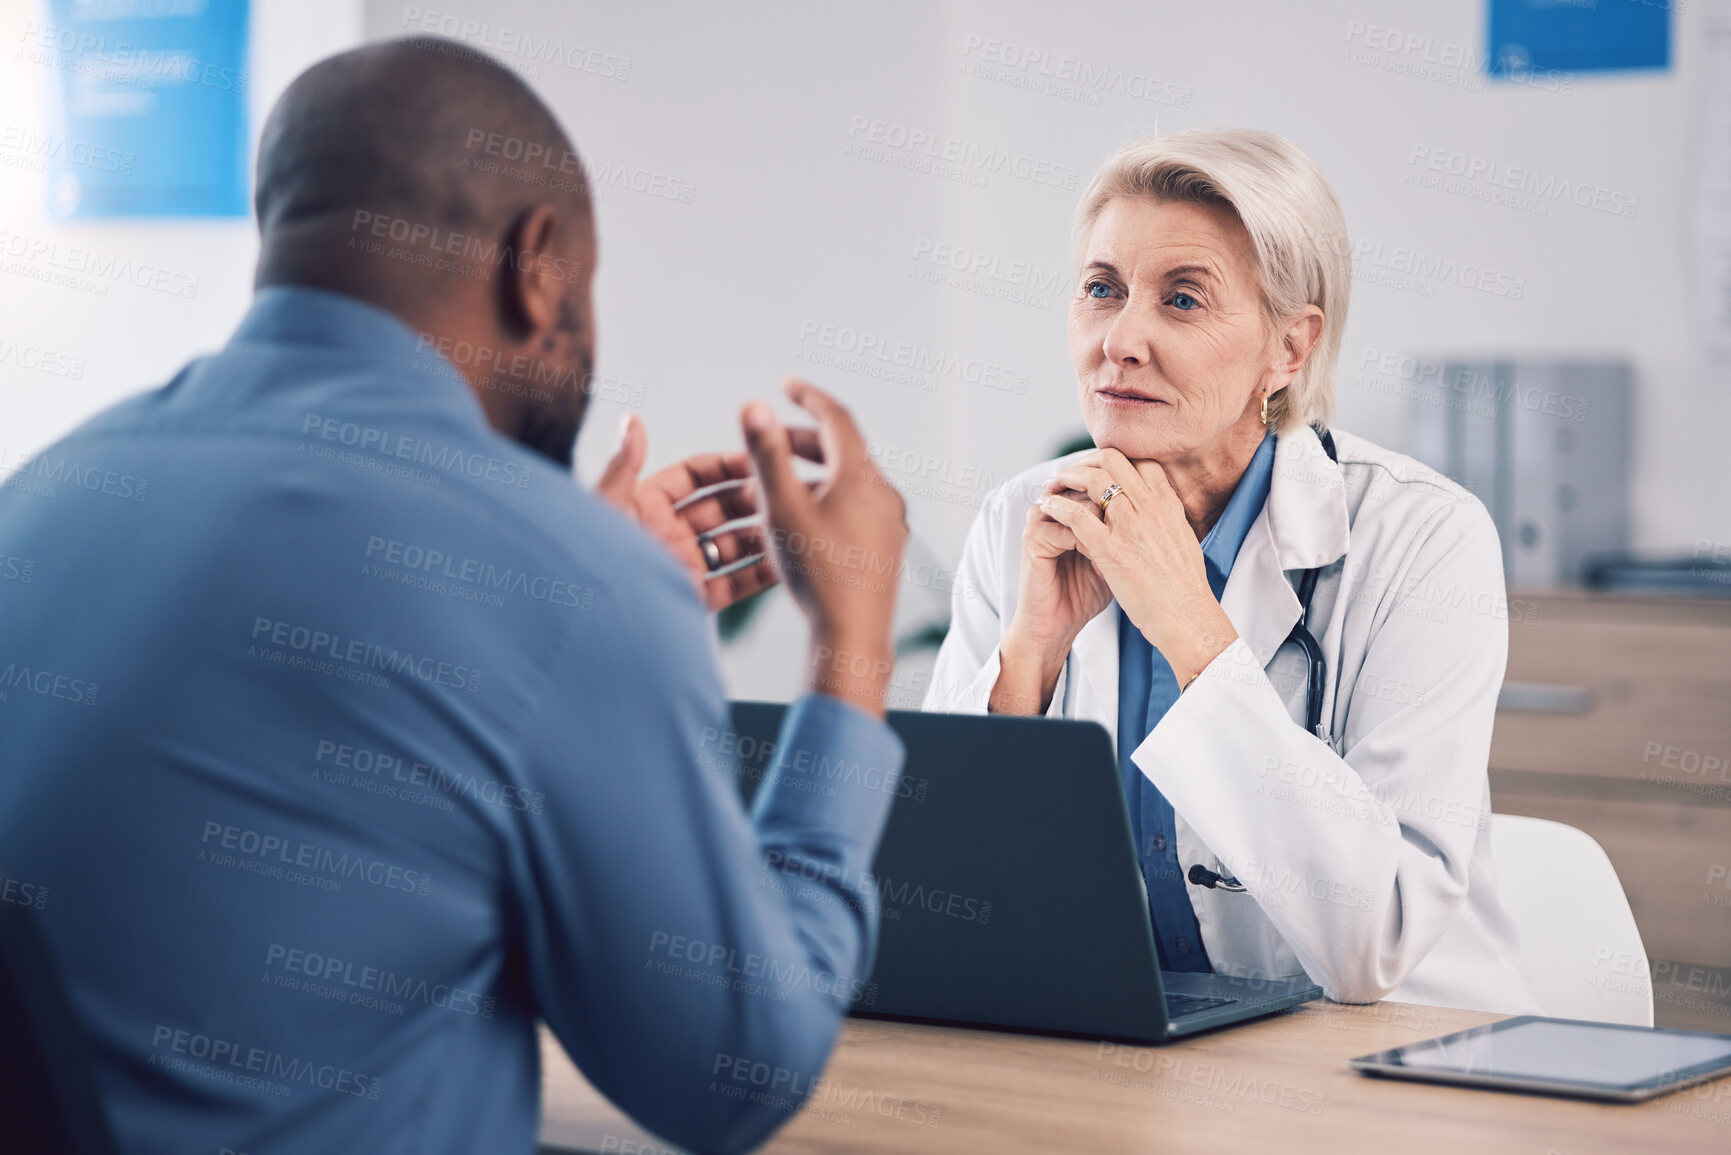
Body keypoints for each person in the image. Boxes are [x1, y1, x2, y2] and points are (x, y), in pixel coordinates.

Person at [0, 37, 909, 1155]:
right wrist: (850, 645)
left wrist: (578, 611)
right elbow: (734, 1075)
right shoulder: (558, 582)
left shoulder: (37, 499)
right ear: (537, 262)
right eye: (587, 287)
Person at [926, 129, 1539, 1015]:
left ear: (1287, 350)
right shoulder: (1024, 521)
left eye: (1181, 300)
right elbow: (938, 911)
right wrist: (1030, 655)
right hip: (1131, 1061)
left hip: (1397, 1068)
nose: (1121, 339)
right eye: (1101, 290)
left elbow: (1375, 942)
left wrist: (1191, 629)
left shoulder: (1423, 537)